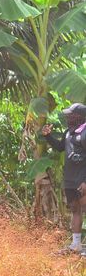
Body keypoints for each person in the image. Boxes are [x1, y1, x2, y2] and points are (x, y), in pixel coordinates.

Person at [42, 102, 86, 255]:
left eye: (70, 115)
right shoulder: (68, 132)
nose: (67, 117)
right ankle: (76, 244)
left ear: (79, 116)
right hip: (70, 179)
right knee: (75, 210)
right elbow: (61, 147)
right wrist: (48, 136)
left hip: (82, 179)